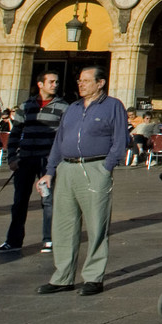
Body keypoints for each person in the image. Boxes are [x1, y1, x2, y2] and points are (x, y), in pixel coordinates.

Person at [38, 65, 127, 296]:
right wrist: (50, 171)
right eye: (80, 81)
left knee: (97, 224)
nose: (81, 84)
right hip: (67, 168)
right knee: (63, 226)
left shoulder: (112, 106)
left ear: (100, 83)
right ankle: (62, 277)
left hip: (95, 167)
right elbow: (59, 140)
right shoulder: (73, 108)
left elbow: (120, 139)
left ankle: (93, 277)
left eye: (87, 80)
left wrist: (107, 167)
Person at [0, 70, 65, 255]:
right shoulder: (26, 106)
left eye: (57, 82)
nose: (55, 85)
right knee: (19, 201)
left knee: (48, 200)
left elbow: (63, 136)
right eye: (51, 81)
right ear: (40, 84)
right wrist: (12, 158)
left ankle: (49, 239)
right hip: (25, 159)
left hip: (48, 161)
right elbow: (15, 134)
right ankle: (13, 241)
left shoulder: (63, 107)